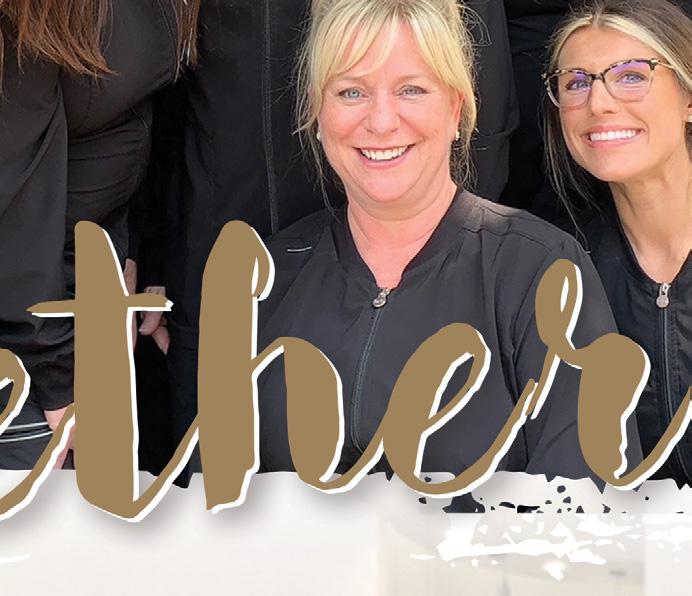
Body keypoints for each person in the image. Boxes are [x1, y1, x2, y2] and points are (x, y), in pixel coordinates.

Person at [256, 0, 640, 509]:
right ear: (317, 114)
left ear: (456, 109)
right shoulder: (270, 276)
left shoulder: (540, 270)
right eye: (351, 92)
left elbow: (589, 510)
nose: (381, 120)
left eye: (412, 90)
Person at [0, 0, 199, 468]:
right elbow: (12, 194)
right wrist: (58, 375)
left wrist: (130, 253)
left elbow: (135, 119)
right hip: (29, 329)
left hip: (83, 300)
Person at [543, 0, 691, 484]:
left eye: (631, 76)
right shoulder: (557, 272)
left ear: (688, 97)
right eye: (576, 83)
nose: (599, 103)